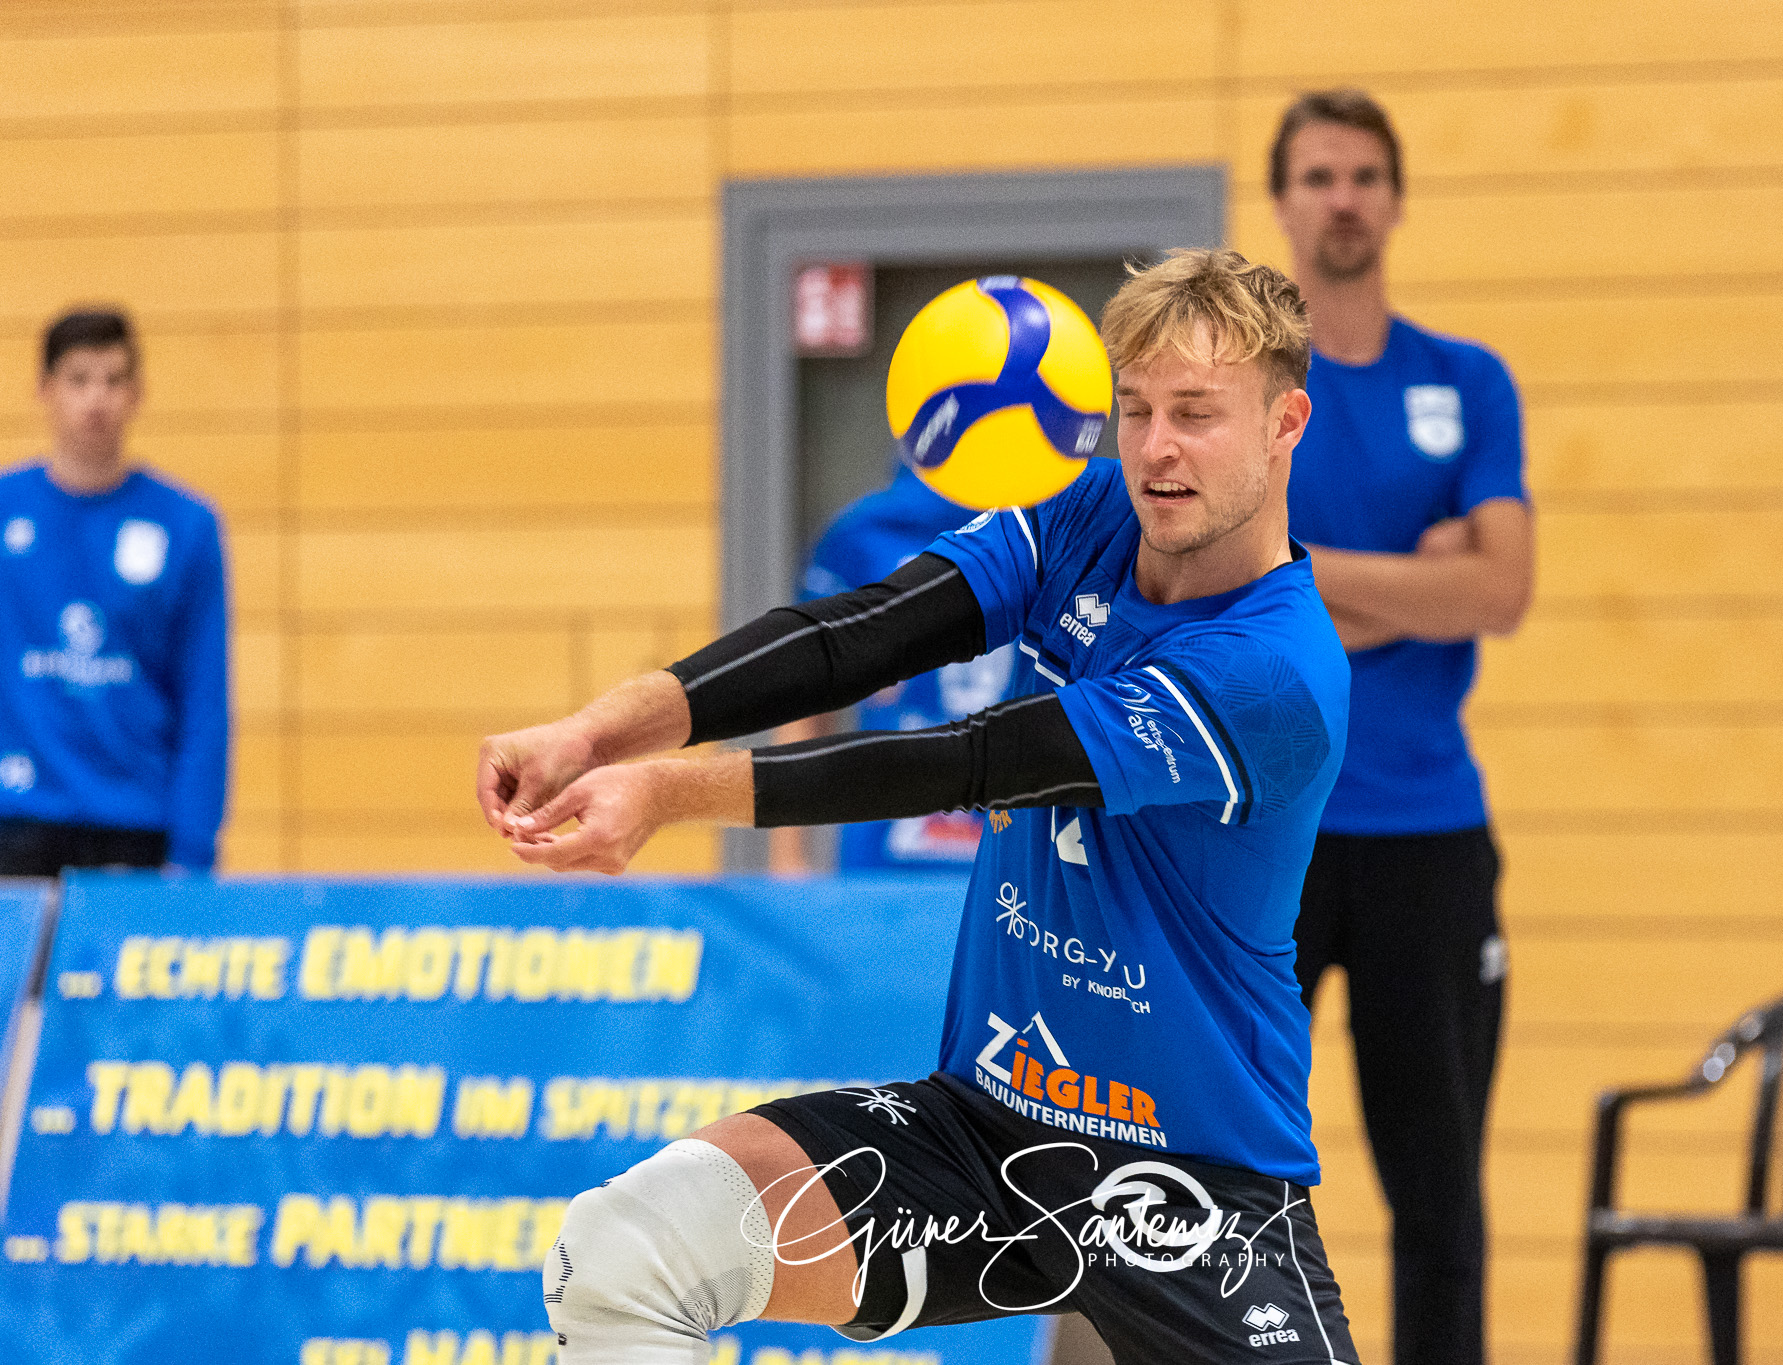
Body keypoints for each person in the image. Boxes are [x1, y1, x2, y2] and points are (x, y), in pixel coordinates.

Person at [477, 249, 1361, 1364]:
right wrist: (597, 732)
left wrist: (667, 789)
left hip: (1193, 1186)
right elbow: (863, 634)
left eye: (1195, 414)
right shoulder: (1088, 517)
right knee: (626, 1248)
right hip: (986, 1138)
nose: (1153, 448)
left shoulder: (1274, 670)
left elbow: (978, 761)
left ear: (1285, 423)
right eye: (1132, 410)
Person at [1268, 90, 1536, 1365]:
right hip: (1266, 833)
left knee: (1439, 1200)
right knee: (1217, 1173)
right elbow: (1224, 598)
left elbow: (1500, 588)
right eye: (1319, 175)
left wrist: (1313, 583)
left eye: (1365, 175)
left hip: (1429, 834)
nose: (1343, 198)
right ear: (1282, 201)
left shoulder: (1464, 381)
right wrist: (1408, 582)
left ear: (1395, 199)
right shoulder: (1249, 393)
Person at [0, 309, 231, 875]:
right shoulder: (6, 510)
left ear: (137, 393)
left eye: (113, 380)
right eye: (78, 380)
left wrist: (193, 852)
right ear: (45, 391)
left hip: (134, 829)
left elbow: (204, 699)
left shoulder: (187, 525)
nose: (95, 399)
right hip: (17, 819)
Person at [771, 464, 1015, 872]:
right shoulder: (864, 535)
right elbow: (805, 701)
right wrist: (788, 859)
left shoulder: (1062, 530)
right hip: (885, 858)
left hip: (1018, 860)